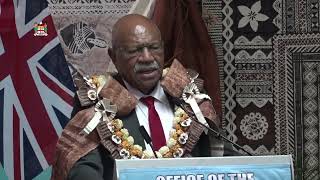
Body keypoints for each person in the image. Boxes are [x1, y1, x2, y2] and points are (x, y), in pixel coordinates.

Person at [51, 14, 235, 180]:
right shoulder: (97, 103)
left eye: (154, 48)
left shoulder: (189, 97)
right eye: (134, 50)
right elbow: (83, 168)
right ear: (113, 57)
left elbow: (223, 155)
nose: (147, 58)